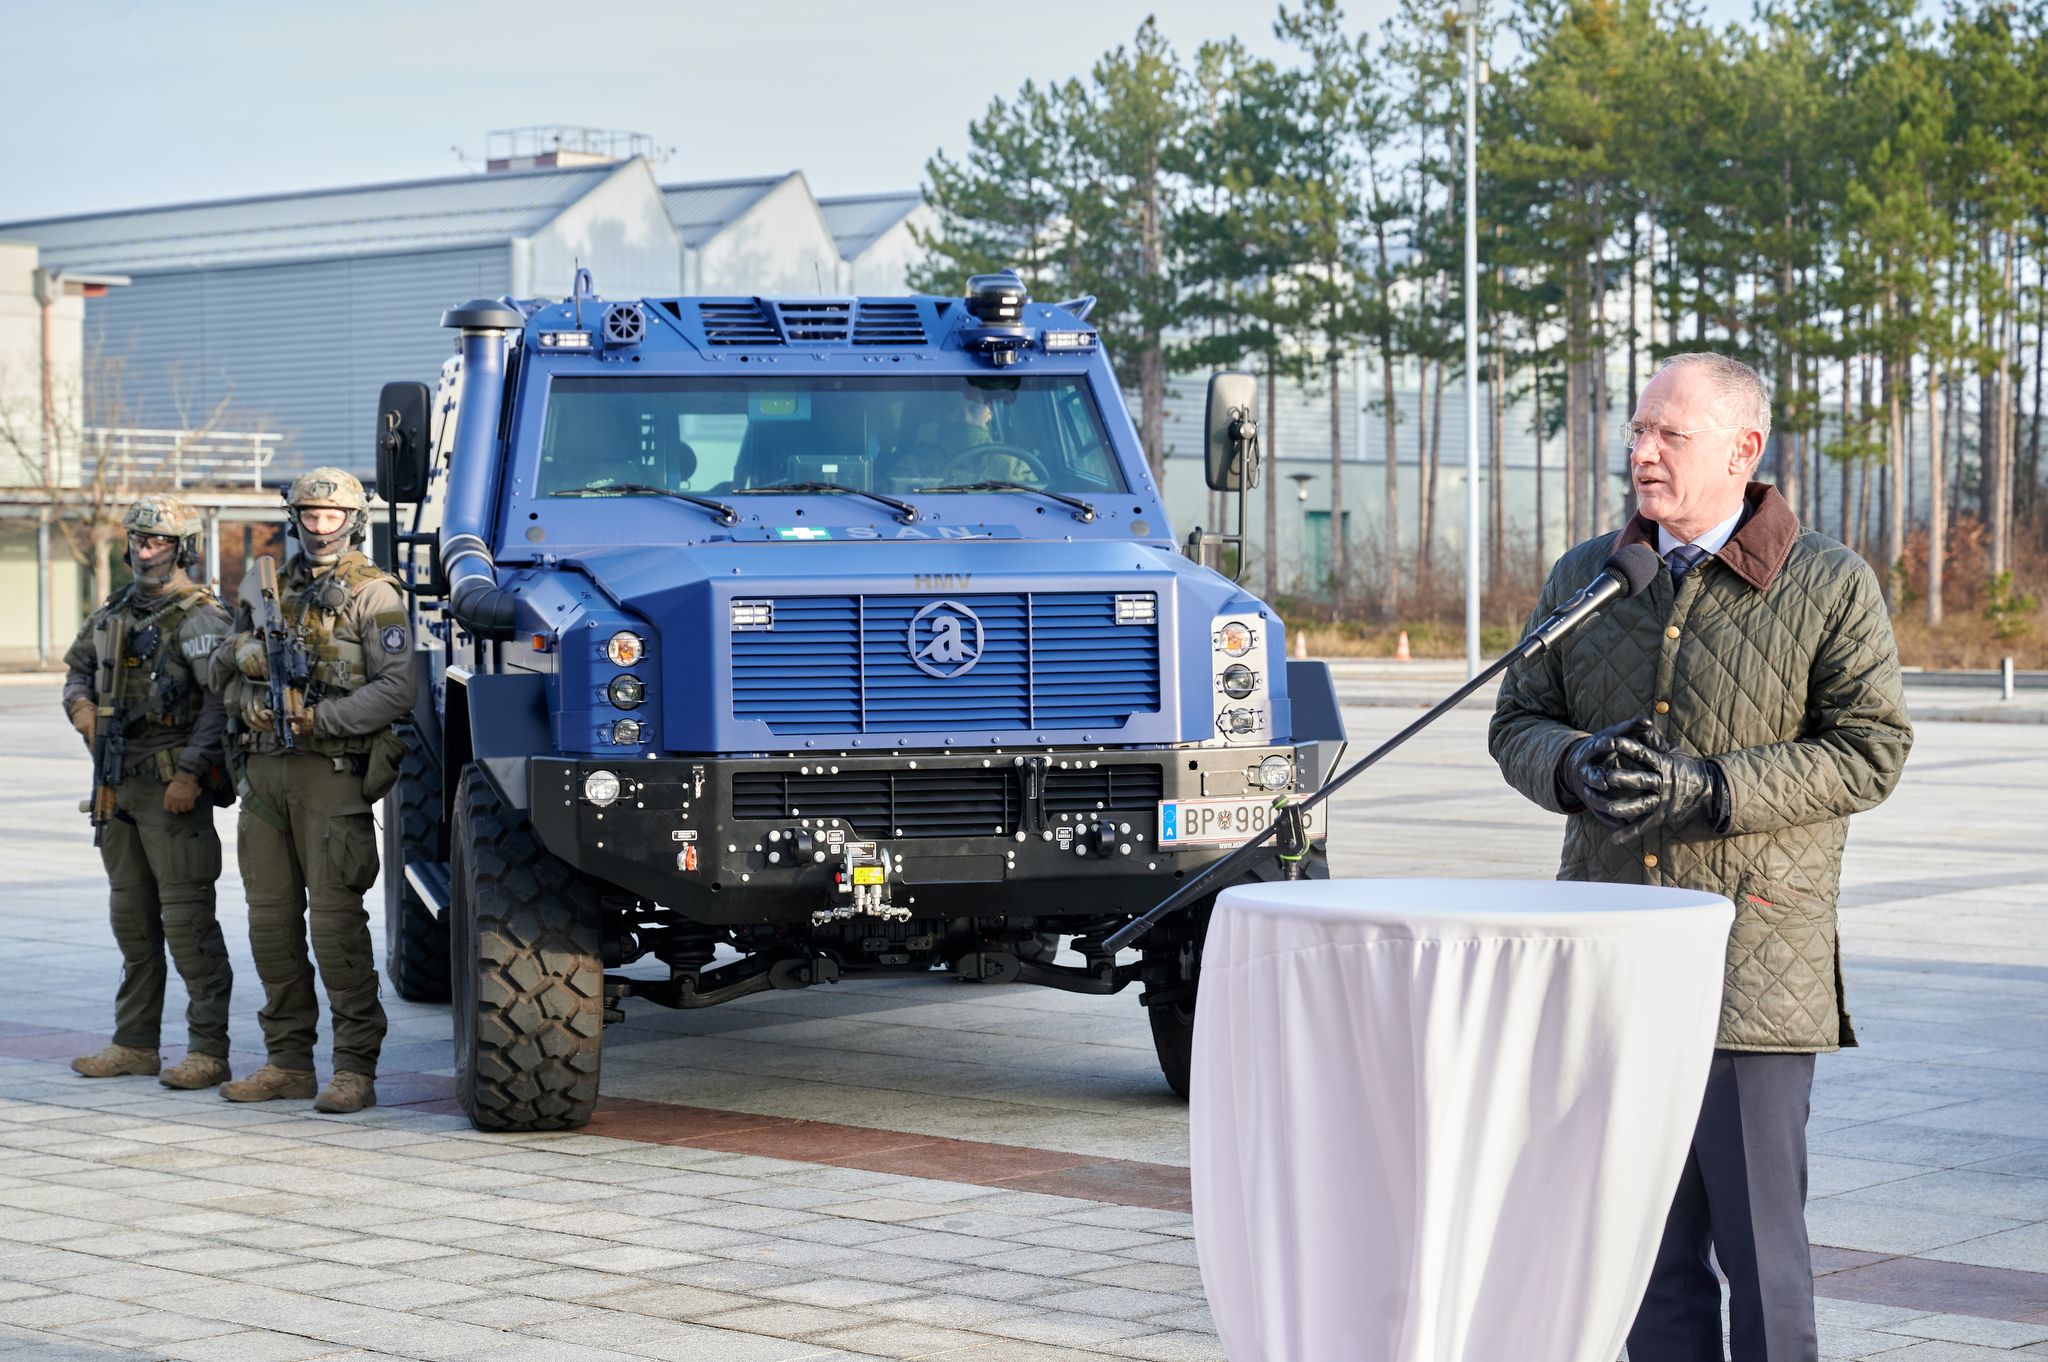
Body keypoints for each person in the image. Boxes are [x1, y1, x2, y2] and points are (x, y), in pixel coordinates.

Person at [1489, 353, 1912, 1362]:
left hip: (1751, 970)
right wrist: (1567, 764)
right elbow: (1517, 720)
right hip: (1607, 963)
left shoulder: (1826, 585)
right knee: (1641, 1261)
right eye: (1635, 432)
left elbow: (1869, 750)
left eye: (1667, 436)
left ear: (1742, 448)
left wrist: (1713, 789)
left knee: (1762, 1261)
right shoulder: (1587, 576)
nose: (1639, 453)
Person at [202, 468, 416, 1115]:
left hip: (330, 778)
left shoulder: (373, 594)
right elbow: (219, 673)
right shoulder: (264, 589)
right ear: (295, 518)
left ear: (351, 520)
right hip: (264, 779)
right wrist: (247, 676)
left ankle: (354, 1067)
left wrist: (319, 719)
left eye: (332, 516)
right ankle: (287, 1062)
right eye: (310, 515)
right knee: (269, 928)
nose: (320, 526)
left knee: (334, 930)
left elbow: (397, 688)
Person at [62, 496, 236, 1089]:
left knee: (188, 925)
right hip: (117, 786)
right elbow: (78, 669)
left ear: (181, 547)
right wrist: (80, 706)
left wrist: (190, 772)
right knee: (133, 924)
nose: (144, 549)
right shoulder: (115, 609)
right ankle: (135, 1044)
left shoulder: (201, 619)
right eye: (137, 539)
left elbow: (220, 704)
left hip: (171, 791)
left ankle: (209, 1050)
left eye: (157, 541)